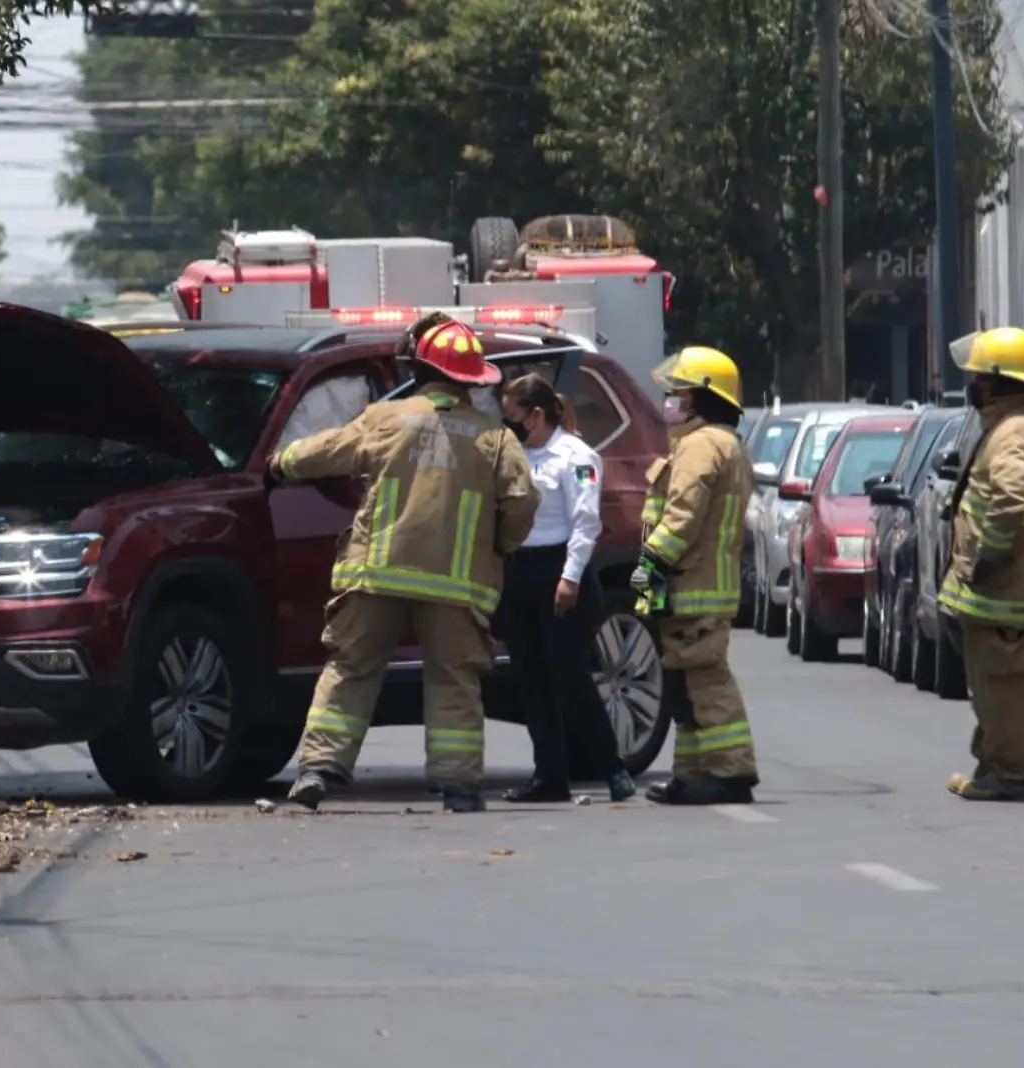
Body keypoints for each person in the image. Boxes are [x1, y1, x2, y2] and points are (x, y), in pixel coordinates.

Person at [273, 312, 539, 813]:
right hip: (456, 586)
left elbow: (327, 451)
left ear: (418, 370)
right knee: (454, 677)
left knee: (351, 666)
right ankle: (458, 786)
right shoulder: (495, 438)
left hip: (377, 574)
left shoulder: (386, 419)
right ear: (469, 379)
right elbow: (523, 500)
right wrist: (500, 543)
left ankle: (318, 770)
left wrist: (279, 463)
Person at [631, 346, 760, 805]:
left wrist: (650, 564)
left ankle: (731, 771)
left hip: (693, 586)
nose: (671, 401)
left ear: (702, 398)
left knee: (705, 679)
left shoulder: (702, 445)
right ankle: (691, 773)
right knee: (686, 684)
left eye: (679, 394)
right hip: (699, 584)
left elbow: (682, 516)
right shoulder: (722, 444)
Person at [938, 327, 1024, 802]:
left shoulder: (1016, 435)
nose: (971, 385)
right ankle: (994, 767)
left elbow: (1012, 501)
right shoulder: (1015, 425)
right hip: (1001, 592)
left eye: (977, 377)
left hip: (1003, 592)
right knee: (992, 688)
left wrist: (989, 556)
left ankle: (1014, 775)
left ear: (996, 382)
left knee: (1006, 689)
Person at [498, 374, 635, 804]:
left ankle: (613, 769)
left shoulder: (575, 455)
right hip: (520, 570)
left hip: (561, 571)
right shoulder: (514, 454)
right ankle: (549, 776)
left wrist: (570, 578)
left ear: (536, 414)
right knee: (533, 681)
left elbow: (585, 523)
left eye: (513, 416)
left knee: (570, 677)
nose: (509, 425)